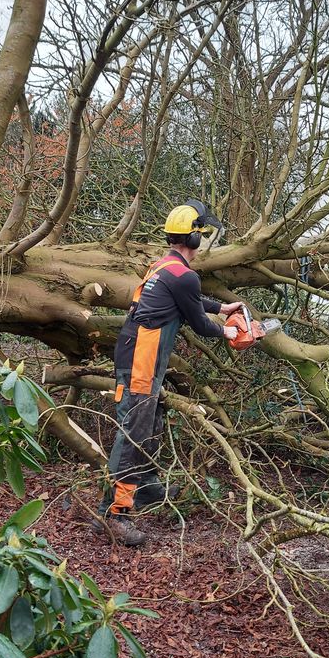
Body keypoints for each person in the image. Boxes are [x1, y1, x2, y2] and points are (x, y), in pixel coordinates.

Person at [86, 200, 241, 546]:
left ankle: (144, 486)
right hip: (141, 358)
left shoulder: (164, 267)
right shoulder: (184, 275)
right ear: (195, 239)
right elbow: (199, 322)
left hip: (137, 350)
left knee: (151, 420)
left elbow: (190, 302)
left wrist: (222, 307)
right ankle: (113, 513)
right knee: (135, 432)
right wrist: (227, 331)